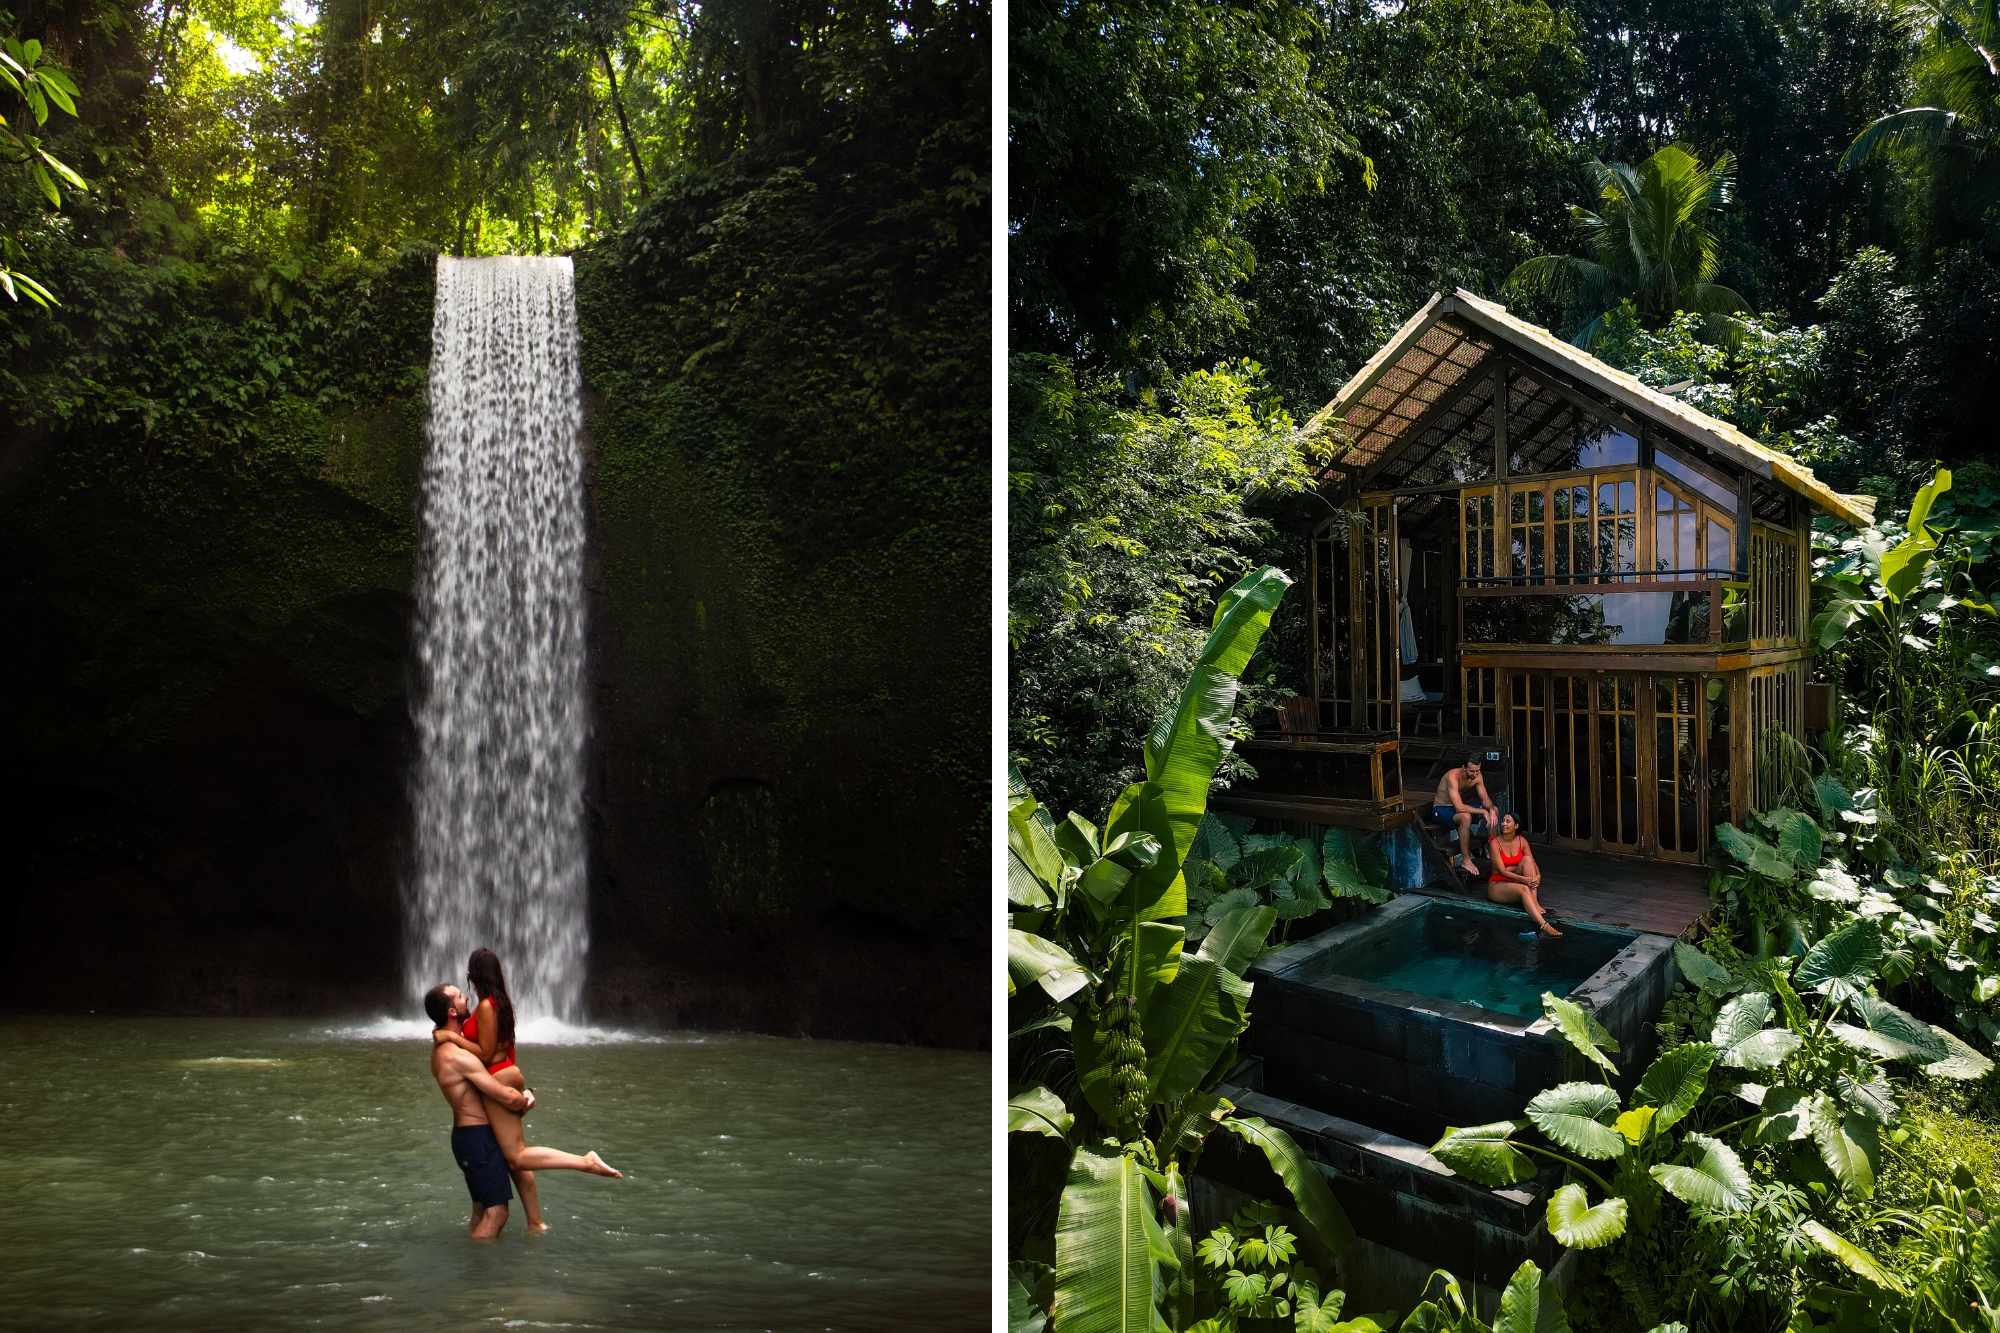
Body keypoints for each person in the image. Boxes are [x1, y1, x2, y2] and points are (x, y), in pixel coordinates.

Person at [431, 952, 620, 1234]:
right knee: (515, 1162)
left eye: (467, 978)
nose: (465, 993)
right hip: (502, 1075)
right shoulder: (498, 1003)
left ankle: (585, 1162)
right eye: (459, 994)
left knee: (517, 1155)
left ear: (475, 976)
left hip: (498, 1076)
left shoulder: (485, 1007)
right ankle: (535, 1223)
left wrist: (452, 1037)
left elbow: (484, 1052)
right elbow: (500, 1048)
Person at [426, 982, 535, 1239]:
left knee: (480, 1211)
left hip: (465, 1138)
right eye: (459, 996)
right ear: (452, 1011)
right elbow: (502, 1095)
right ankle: (482, 1276)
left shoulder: (443, 1047)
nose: (466, 996)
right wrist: (527, 1096)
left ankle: (471, 1258)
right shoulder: (458, 1056)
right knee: (497, 1213)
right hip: (478, 1141)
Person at [1485, 811, 1561, 936]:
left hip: (1515, 879)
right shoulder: (1495, 843)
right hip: (1497, 885)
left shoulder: (1522, 841)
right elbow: (1502, 871)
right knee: (1523, 889)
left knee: (1527, 860)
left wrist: (1538, 876)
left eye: (1508, 821)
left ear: (1516, 826)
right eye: (1503, 821)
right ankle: (1544, 925)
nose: (1503, 824)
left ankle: (1534, 902)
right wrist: (1524, 879)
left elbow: (1532, 863)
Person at [1432, 751, 1501, 875]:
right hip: (1441, 809)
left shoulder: (1477, 776)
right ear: (1464, 768)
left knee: (1494, 810)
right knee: (1465, 817)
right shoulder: (1452, 776)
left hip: (1455, 807)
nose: (1475, 774)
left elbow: (1485, 798)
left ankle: (1491, 851)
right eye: (1472, 771)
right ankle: (1466, 860)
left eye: (1477, 771)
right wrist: (1483, 812)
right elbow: (1459, 808)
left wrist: (1490, 810)